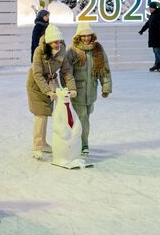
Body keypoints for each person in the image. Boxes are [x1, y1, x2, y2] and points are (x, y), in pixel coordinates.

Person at [27, 24, 77, 160]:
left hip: (51, 82)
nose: (58, 44)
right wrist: (48, 91)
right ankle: (37, 146)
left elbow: (66, 71)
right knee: (41, 115)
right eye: (55, 42)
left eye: (59, 41)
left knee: (49, 113)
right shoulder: (39, 51)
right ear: (49, 42)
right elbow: (37, 74)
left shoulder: (62, 51)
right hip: (36, 86)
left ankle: (43, 143)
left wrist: (72, 88)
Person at [66, 23, 112, 155]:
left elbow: (104, 69)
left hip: (92, 90)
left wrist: (106, 86)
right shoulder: (72, 51)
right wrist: (70, 88)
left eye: (88, 35)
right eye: (83, 36)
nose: (86, 38)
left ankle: (78, 140)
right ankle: (84, 144)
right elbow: (66, 72)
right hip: (78, 92)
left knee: (86, 116)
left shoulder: (98, 49)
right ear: (78, 36)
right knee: (83, 118)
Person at [138, 2, 160, 72]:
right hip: (153, 36)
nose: (150, 9)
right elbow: (147, 24)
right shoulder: (152, 15)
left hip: (157, 36)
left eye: (151, 8)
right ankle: (157, 64)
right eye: (150, 7)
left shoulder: (158, 16)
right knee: (155, 51)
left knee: (157, 50)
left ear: (155, 8)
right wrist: (142, 30)